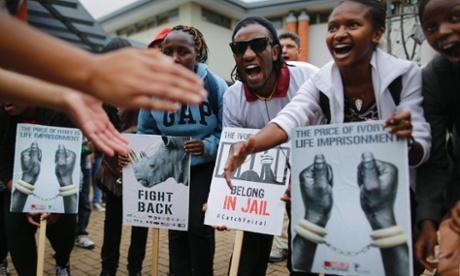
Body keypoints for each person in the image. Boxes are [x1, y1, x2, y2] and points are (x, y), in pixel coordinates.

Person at [224, 1, 430, 275]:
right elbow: (291, 117)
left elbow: (421, 147)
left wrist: (408, 141)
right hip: (336, 195)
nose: (339, 34)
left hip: (393, 198)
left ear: (377, 33)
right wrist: (249, 146)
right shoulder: (321, 80)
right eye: (333, 27)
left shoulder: (405, 75)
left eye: (352, 25)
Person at [224, 16, 318, 275]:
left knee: (302, 262)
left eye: (257, 45)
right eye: (239, 49)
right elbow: (233, 152)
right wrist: (222, 202)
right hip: (261, 184)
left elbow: (326, 134)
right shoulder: (232, 97)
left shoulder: (310, 78)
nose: (248, 54)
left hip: (306, 178)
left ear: (276, 51)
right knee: (246, 262)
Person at [138, 25, 227, 276]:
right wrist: (147, 153)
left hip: (203, 166)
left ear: (197, 53)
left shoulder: (215, 86)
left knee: (198, 226)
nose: (174, 59)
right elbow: (146, 132)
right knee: (175, 226)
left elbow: (229, 133)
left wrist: (207, 146)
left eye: (183, 52)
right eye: (168, 52)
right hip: (172, 164)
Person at [0, 102, 77, 276]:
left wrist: (55, 206)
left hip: (57, 184)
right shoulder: (3, 115)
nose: (5, 100)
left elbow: (71, 157)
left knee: (64, 232)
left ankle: (62, 263)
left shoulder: (60, 113)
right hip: (17, 185)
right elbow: (3, 161)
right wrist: (25, 197)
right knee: (17, 238)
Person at [414, 0, 460, 273]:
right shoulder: (435, 76)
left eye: (455, 17)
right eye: (431, 27)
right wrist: (428, 220)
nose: (442, 32)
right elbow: (435, 157)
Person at [98, 37, 150, 276]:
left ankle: (135, 270)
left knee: (140, 224)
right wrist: (112, 150)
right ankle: (107, 270)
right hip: (112, 170)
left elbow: (151, 130)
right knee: (112, 224)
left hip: (139, 169)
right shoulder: (102, 92)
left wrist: (131, 144)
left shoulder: (145, 92)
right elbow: (97, 131)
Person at [269, 31, 303, 264]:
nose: (286, 50)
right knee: (278, 202)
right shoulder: (268, 82)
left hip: (302, 153)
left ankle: (298, 251)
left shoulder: (309, 76)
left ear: (299, 50)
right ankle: (282, 246)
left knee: (300, 210)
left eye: (291, 45)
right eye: (282, 46)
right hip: (276, 152)